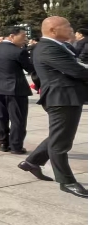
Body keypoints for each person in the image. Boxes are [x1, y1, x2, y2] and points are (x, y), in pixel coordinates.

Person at [19, 17, 88, 198]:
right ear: (53, 30)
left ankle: (32, 162)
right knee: (61, 143)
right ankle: (66, 181)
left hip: (65, 97)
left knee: (60, 135)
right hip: (61, 99)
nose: (71, 29)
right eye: (67, 26)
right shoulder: (48, 48)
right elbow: (77, 70)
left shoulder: (57, 46)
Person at [0, 26, 34, 154]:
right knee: (17, 118)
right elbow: (30, 69)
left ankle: (3, 143)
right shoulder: (18, 51)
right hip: (15, 89)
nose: (25, 39)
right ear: (12, 36)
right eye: (23, 36)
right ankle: (16, 146)